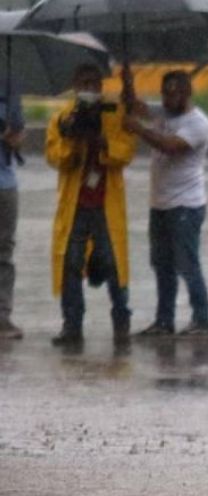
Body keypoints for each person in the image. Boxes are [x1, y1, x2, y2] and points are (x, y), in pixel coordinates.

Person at [46, 64, 136, 347]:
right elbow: (54, 155)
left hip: (106, 205)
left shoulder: (114, 113)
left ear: (101, 84)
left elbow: (126, 152)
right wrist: (74, 145)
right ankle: (72, 325)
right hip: (74, 205)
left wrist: (102, 143)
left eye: (94, 83)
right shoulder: (63, 117)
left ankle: (121, 322)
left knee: (113, 264)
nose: (90, 88)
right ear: (75, 84)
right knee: (70, 263)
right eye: (84, 82)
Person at [124, 70, 208, 337]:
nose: (167, 99)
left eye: (173, 93)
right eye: (164, 93)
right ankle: (164, 321)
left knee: (187, 263)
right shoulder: (163, 112)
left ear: (187, 93)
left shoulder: (197, 124)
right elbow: (137, 106)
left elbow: (170, 146)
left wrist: (139, 129)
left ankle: (202, 318)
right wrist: (128, 86)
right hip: (160, 203)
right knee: (162, 265)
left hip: (186, 205)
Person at [0, 88, 24, 340]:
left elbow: (19, 137)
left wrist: (10, 137)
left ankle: (2, 316)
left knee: (4, 252)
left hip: (5, 185)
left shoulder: (10, 86)